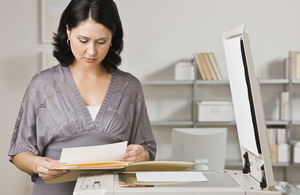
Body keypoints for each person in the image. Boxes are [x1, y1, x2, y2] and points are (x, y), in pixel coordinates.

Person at [8, 0, 156, 194]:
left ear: (113, 38)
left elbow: (147, 148)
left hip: (115, 190)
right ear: (68, 32)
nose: (92, 51)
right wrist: (37, 164)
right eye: (83, 40)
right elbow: (19, 151)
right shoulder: (42, 85)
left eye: (101, 42)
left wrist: (141, 154)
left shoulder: (129, 87)